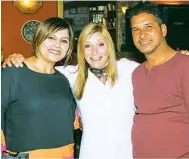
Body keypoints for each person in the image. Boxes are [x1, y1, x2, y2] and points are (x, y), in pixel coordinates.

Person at [2, 23, 139, 159]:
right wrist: (16, 60)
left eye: (101, 44)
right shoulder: (72, 74)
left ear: (110, 46)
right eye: (87, 45)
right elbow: (39, 68)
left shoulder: (130, 69)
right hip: (91, 153)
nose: (94, 52)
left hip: (129, 153)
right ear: (81, 50)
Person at [1, 17, 79, 159]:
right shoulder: (13, 72)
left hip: (64, 154)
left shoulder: (63, 80)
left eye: (64, 41)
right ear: (38, 38)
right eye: (51, 37)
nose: (57, 45)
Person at [128, 2, 189, 158]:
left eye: (148, 27)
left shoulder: (185, 65)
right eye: (136, 29)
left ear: (163, 29)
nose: (142, 35)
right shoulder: (137, 73)